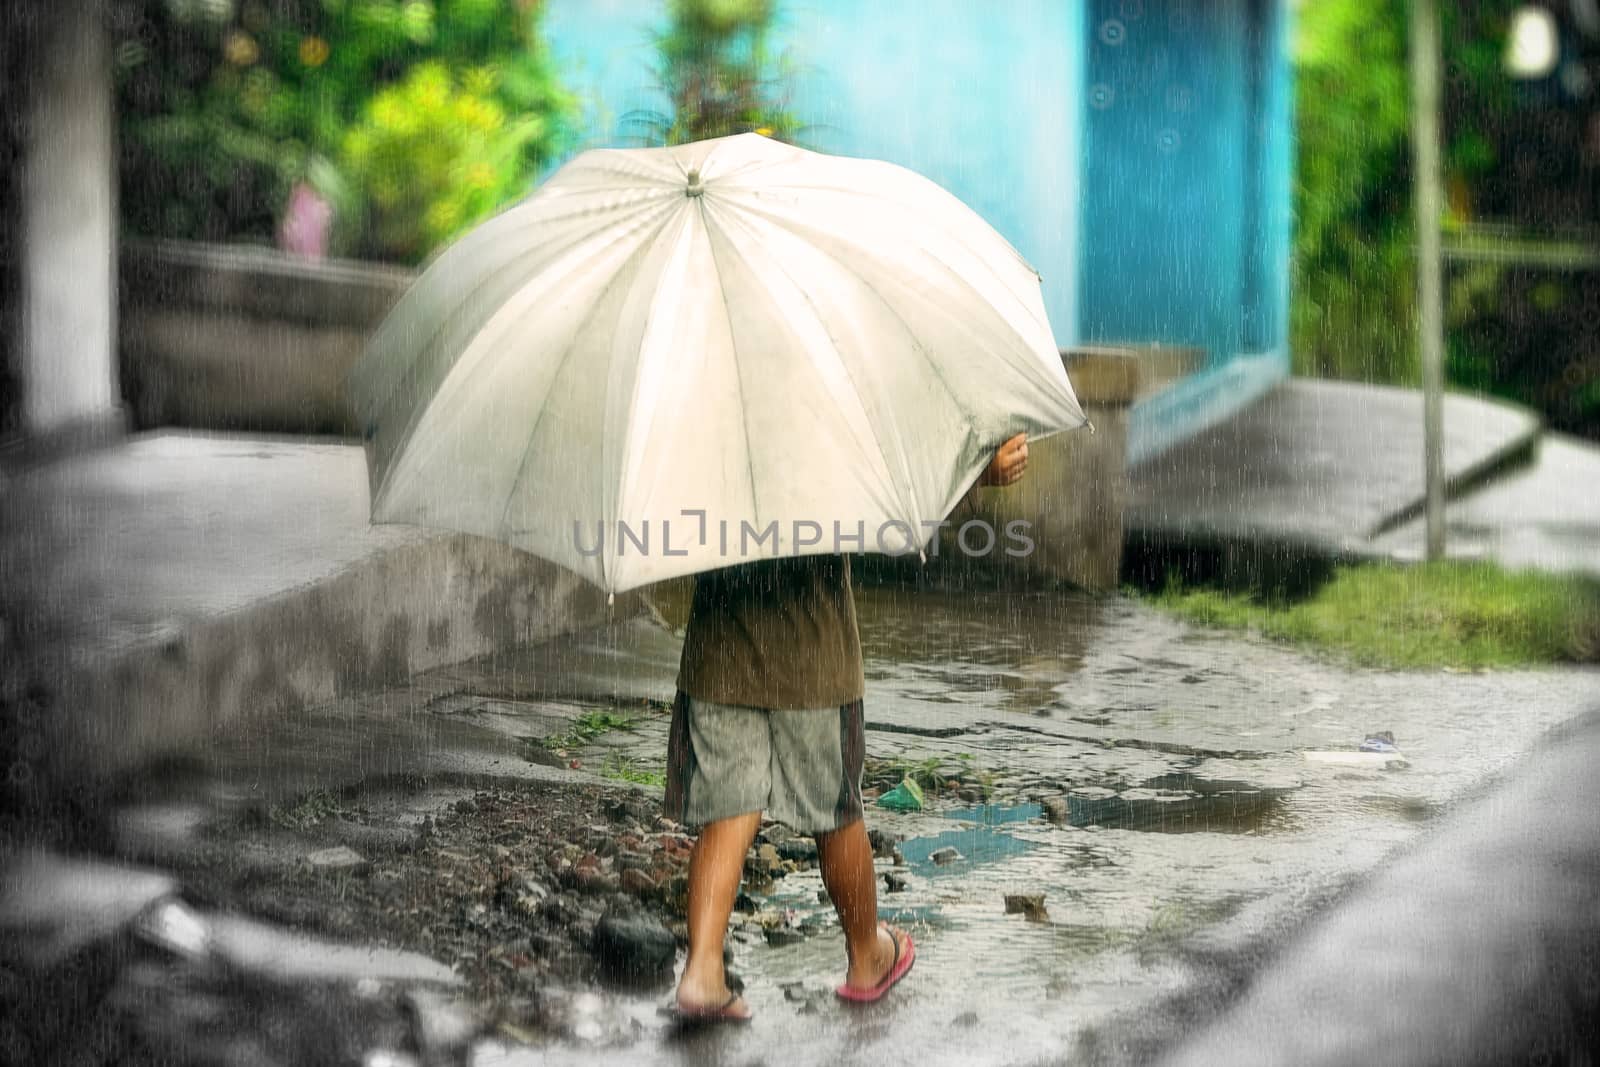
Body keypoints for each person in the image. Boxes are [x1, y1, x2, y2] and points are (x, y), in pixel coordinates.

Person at [664, 433, 1031, 1021]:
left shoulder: (709, 410)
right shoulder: (823, 411)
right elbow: (893, 509)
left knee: (728, 812)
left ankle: (703, 969)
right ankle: (866, 954)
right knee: (837, 816)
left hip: (721, 653)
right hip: (814, 658)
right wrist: (975, 480)